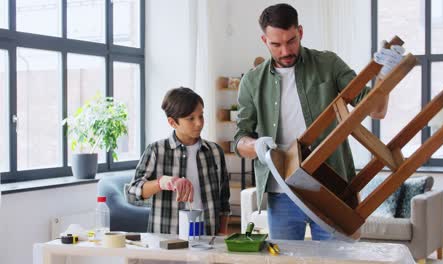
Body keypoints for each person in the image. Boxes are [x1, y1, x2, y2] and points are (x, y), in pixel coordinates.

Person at [234, 3, 404, 240]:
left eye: (291, 41)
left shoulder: (328, 64)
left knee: (336, 259)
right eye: (276, 44)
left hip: (330, 189)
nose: (285, 51)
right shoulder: (251, 82)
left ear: (300, 32)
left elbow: (376, 110)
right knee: (287, 260)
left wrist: (386, 74)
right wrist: (256, 146)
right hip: (281, 192)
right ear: (264, 40)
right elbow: (240, 139)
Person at [127, 87, 230, 236]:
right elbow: (132, 192)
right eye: (191, 118)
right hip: (166, 239)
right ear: (172, 122)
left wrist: (221, 235)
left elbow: (223, 200)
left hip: (207, 238)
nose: (199, 123)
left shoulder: (215, 151)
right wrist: (164, 182)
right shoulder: (156, 150)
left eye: (201, 116)